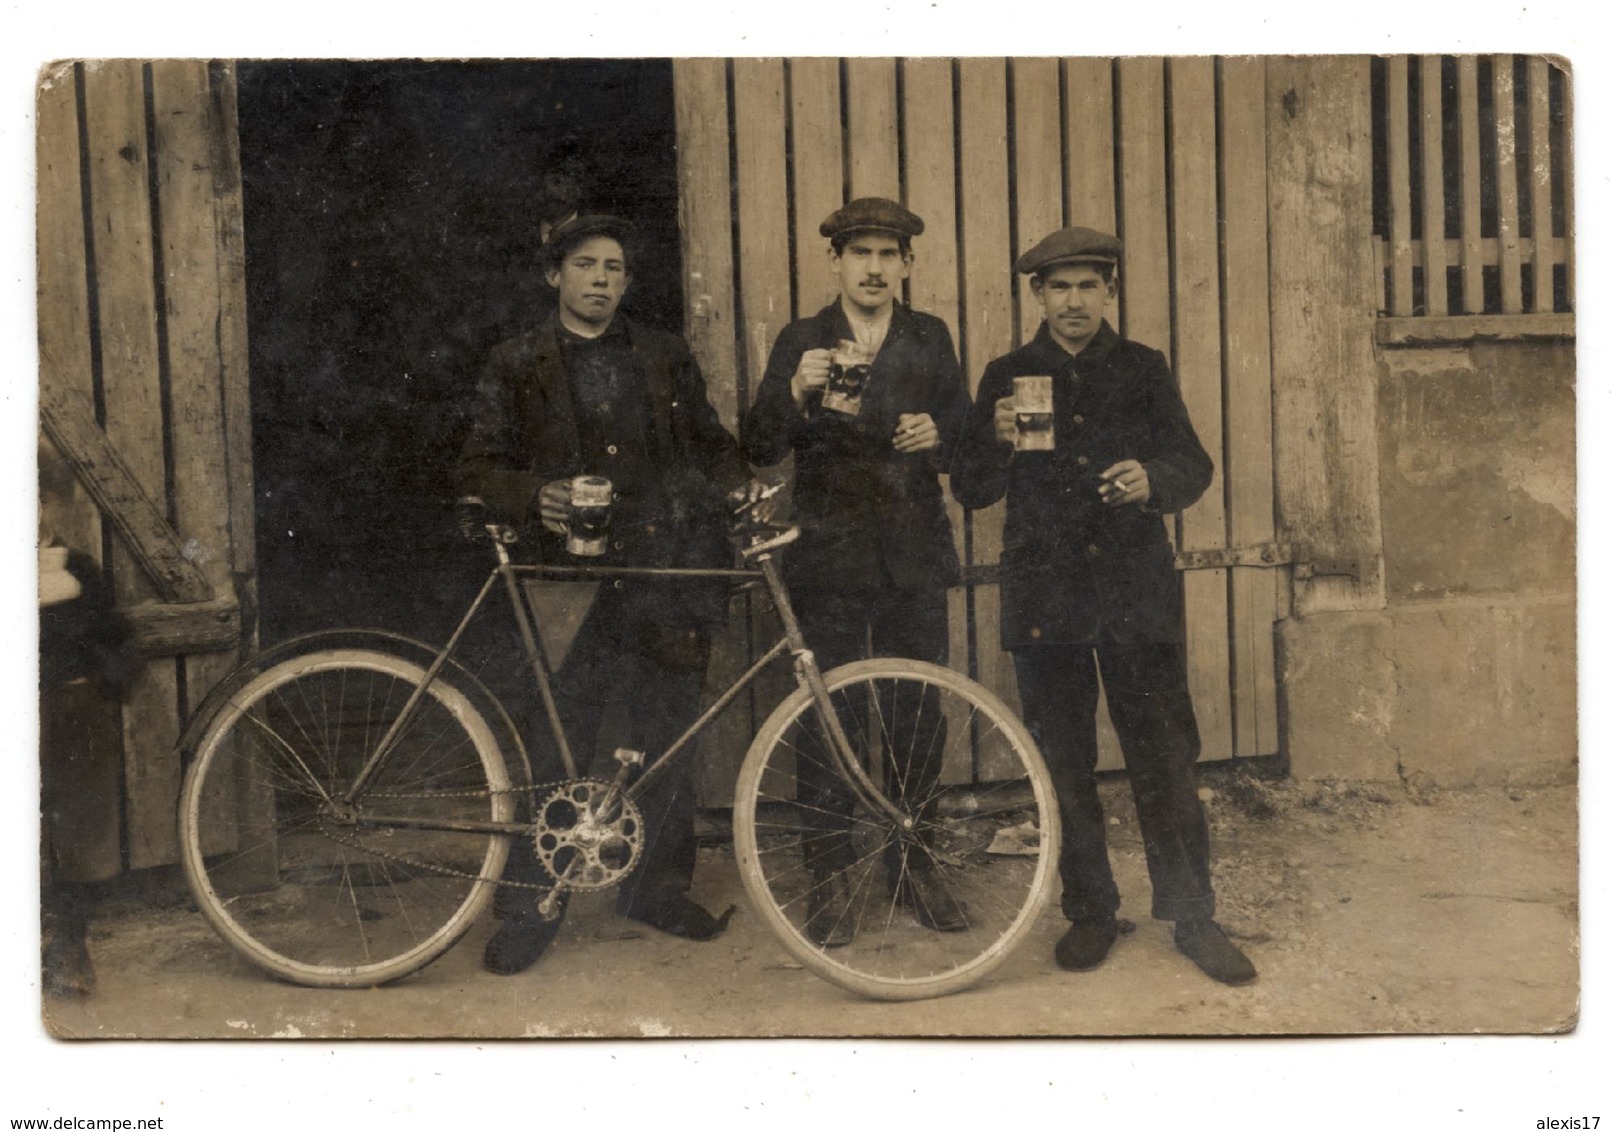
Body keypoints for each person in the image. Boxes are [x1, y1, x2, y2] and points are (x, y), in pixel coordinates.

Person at [951, 225, 1257, 986]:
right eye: (1059, 287)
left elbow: (1193, 462)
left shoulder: (1142, 368)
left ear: (1109, 292)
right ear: (1037, 296)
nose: (1074, 301)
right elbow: (972, 488)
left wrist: (1150, 477)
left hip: (1132, 591)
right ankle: (1089, 910)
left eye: (1089, 285)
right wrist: (987, 439)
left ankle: (1192, 915)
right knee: (1063, 761)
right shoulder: (1007, 372)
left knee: (1162, 754)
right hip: (1044, 593)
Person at [458, 214, 763, 975]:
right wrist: (540, 495)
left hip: (665, 569)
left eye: (615, 268)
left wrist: (739, 489)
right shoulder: (517, 360)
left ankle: (654, 890)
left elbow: (708, 442)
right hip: (565, 578)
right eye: (586, 265)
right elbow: (477, 467)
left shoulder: (661, 355)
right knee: (555, 735)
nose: (601, 280)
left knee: (666, 733)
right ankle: (531, 902)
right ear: (553, 275)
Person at [743, 197, 971, 947]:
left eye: (887, 254)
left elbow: (964, 436)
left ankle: (914, 865)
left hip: (910, 551)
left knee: (916, 713)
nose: (873, 268)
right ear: (834, 262)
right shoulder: (804, 339)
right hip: (830, 555)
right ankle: (829, 878)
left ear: (906, 264)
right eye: (859, 253)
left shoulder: (927, 335)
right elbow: (757, 444)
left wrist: (940, 434)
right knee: (827, 717)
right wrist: (793, 390)